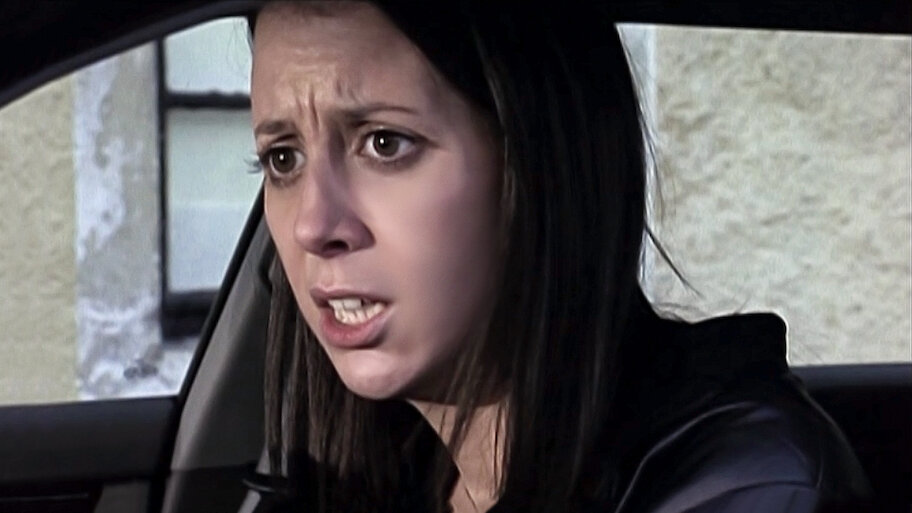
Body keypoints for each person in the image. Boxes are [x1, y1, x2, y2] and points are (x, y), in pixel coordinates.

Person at [245, 2, 871, 512]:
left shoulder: (743, 478)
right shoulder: (369, 473)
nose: (312, 226)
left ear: (539, 162)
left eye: (385, 144)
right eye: (283, 158)